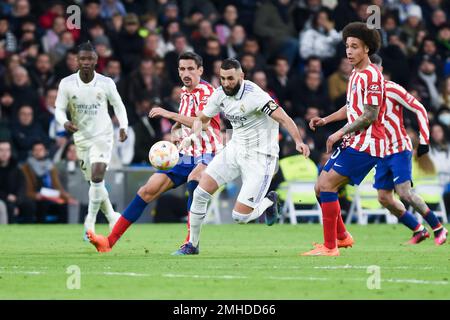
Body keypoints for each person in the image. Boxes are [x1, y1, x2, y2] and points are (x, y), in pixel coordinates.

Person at [170, 58, 310, 255]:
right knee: (200, 193)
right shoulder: (220, 94)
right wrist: (190, 137)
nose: (226, 83)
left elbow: (284, 118)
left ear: (241, 76)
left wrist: (298, 141)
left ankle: (270, 202)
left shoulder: (256, 96)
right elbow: (202, 119)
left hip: (261, 157)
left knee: (240, 217)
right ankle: (192, 245)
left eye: (230, 79)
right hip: (234, 149)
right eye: (223, 78)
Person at [86, 52, 223, 253]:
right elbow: (187, 118)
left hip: (209, 152)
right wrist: (175, 128)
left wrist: (168, 114)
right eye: (182, 69)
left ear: (200, 70)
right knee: (147, 190)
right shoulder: (185, 92)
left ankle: (191, 243)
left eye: (191, 69)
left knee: (195, 179)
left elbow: (200, 122)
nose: (186, 73)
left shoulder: (207, 92)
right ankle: (109, 242)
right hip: (186, 154)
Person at [306, 22, 386, 256]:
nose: (349, 51)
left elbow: (370, 115)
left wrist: (340, 132)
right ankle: (341, 237)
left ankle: (330, 247)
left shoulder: (372, 76)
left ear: (367, 49)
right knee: (320, 188)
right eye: (347, 46)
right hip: (355, 141)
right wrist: (326, 120)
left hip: (369, 143)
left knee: (328, 185)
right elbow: (351, 107)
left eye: (355, 47)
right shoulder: (355, 73)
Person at [369, 54, 447, 245]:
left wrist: (424, 140)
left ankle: (438, 227)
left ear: (379, 69)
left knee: (404, 192)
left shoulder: (392, 88)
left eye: (373, 69)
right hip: (380, 151)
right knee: (384, 198)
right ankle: (419, 230)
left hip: (398, 148)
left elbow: (419, 108)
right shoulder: (363, 92)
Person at [55, 42, 129, 238]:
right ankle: (113, 216)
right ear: (76, 61)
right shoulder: (67, 83)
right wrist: (64, 122)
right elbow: (59, 109)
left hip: (103, 136)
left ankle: (90, 224)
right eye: (83, 59)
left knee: (97, 177)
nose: (86, 62)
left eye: (90, 59)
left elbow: (118, 106)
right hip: (81, 139)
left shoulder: (106, 83)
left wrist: (122, 125)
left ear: (96, 61)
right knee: (94, 184)